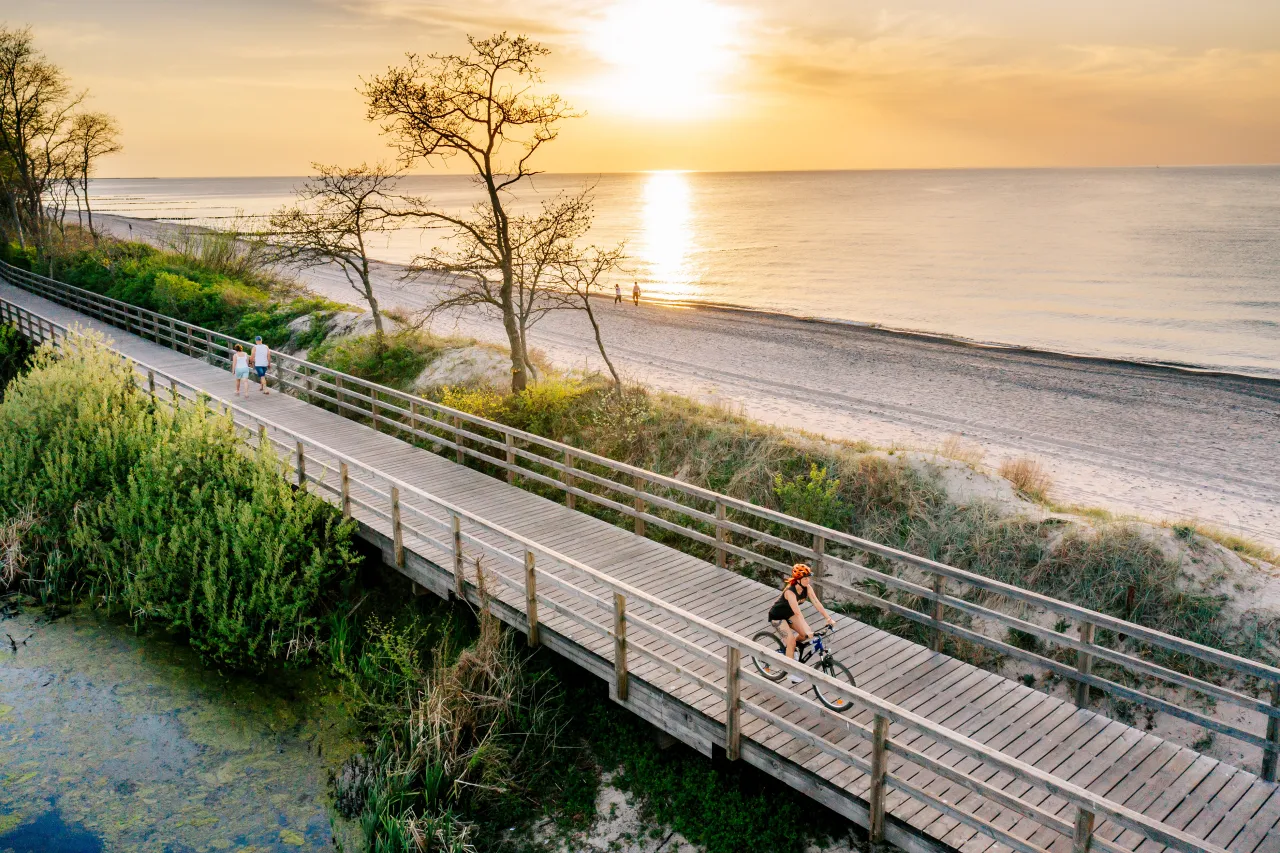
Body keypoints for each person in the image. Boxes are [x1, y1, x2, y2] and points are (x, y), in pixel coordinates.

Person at [767, 564, 834, 684]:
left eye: (808, 577)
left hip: (789, 614)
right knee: (792, 641)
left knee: (804, 635)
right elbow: (798, 613)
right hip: (777, 616)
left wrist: (828, 618)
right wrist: (807, 628)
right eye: (805, 578)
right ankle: (791, 672)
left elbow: (817, 603)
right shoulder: (790, 592)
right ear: (798, 580)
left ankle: (792, 650)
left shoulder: (807, 588)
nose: (808, 580)